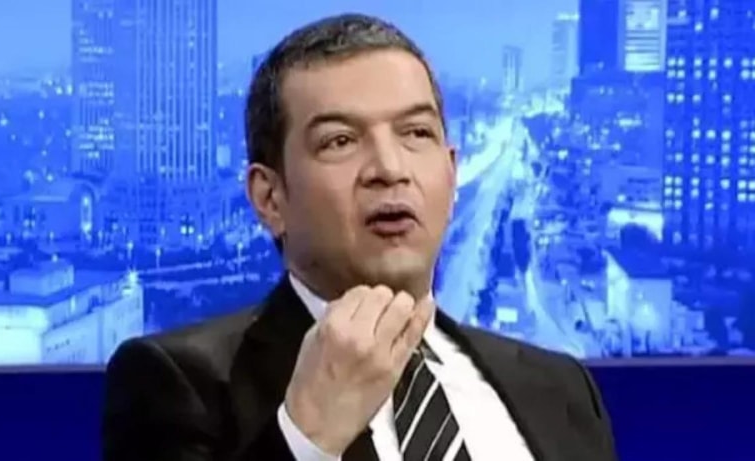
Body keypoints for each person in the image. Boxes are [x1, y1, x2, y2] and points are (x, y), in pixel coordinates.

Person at [102, 13, 618, 461]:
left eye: (416, 133)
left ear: (451, 171)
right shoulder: (179, 385)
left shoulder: (561, 390)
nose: (389, 169)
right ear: (270, 198)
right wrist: (307, 435)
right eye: (340, 141)